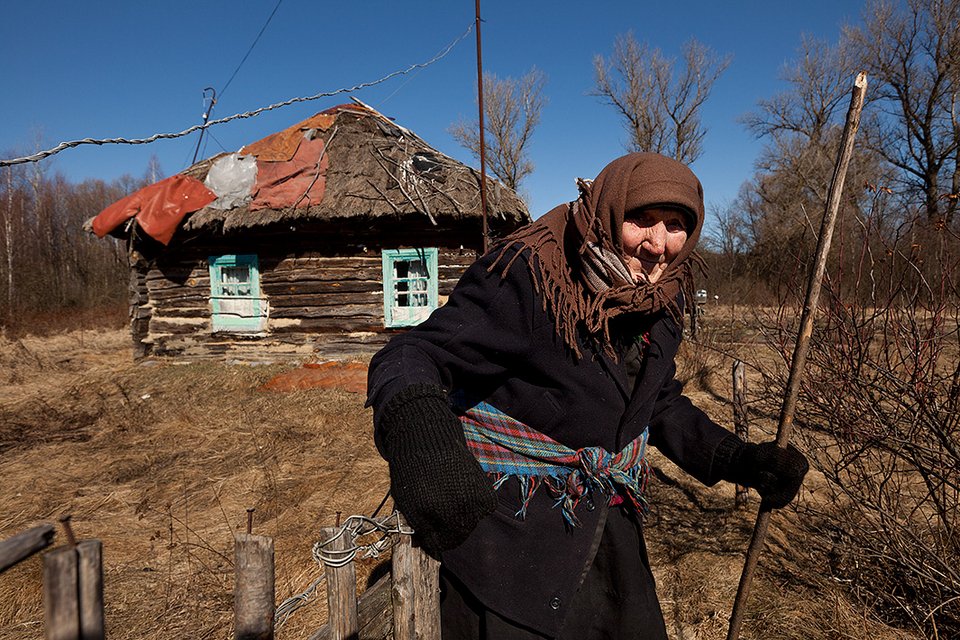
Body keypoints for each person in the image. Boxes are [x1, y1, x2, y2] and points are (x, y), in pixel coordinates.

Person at [366, 152, 808, 639]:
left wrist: (738, 459)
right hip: (511, 542)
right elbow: (412, 354)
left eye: (676, 225)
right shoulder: (532, 276)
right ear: (609, 211)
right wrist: (422, 436)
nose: (658, 244)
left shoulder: (661, 299)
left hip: (606, 532)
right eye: (642, 219)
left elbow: (655, 402)